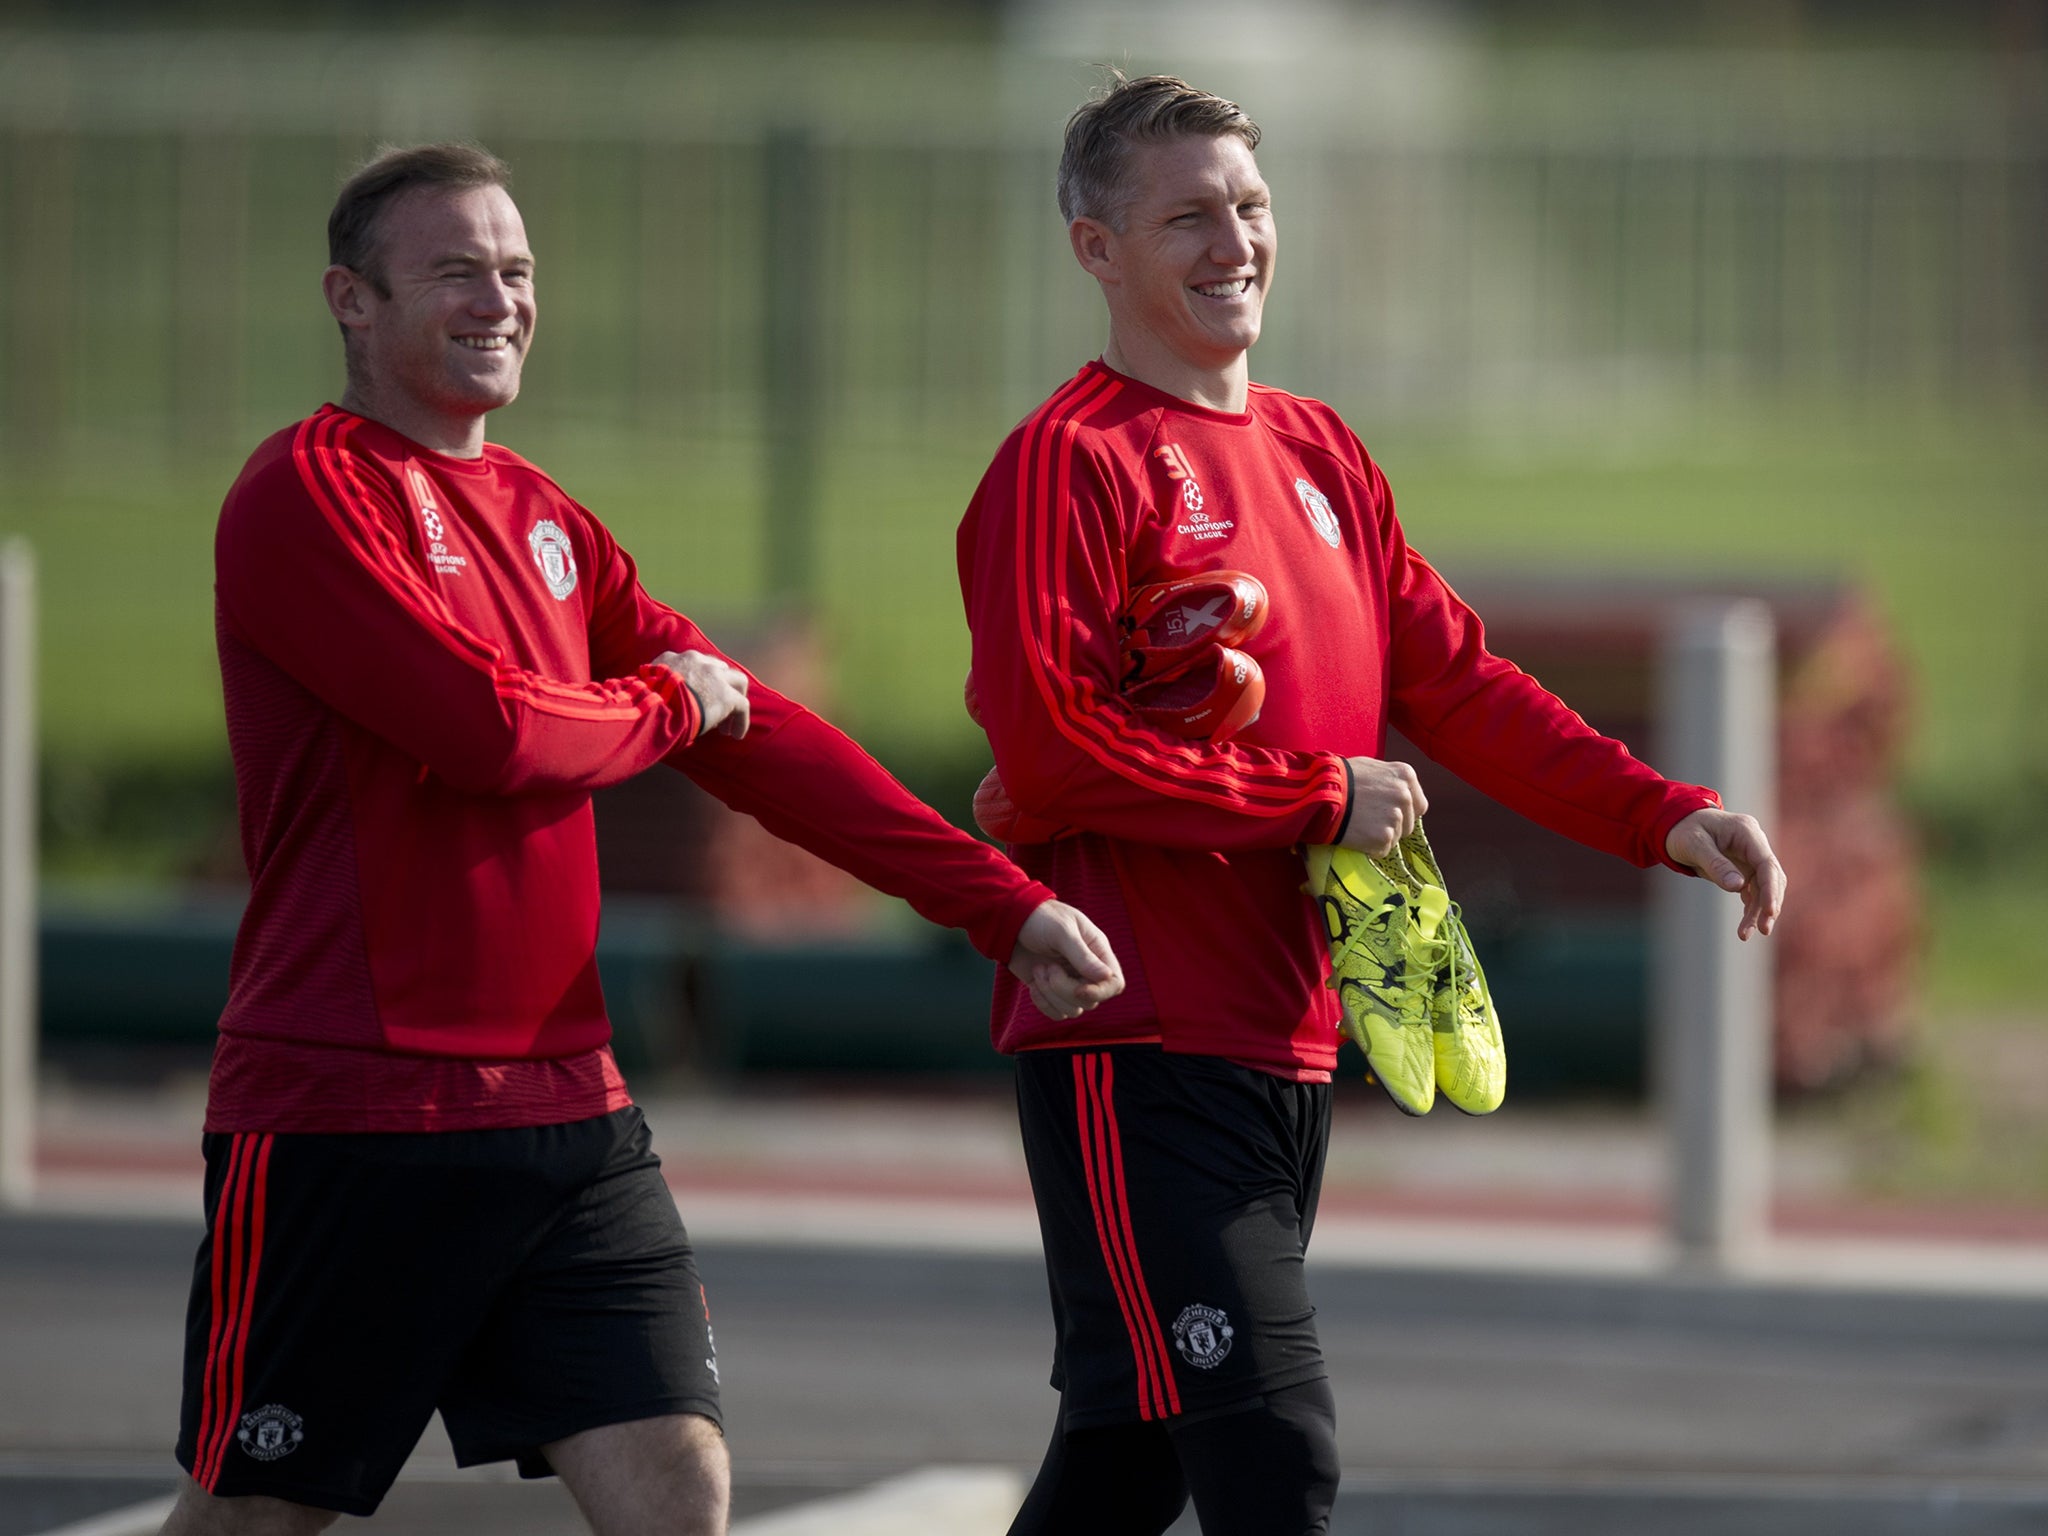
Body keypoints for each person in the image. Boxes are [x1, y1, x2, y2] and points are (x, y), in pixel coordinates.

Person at [160, 142, 1125, 1536]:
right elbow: (493, 734)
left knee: (678, 1483)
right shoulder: (305, 494)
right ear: (349, 302)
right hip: (351, 1115)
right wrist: (667, 699)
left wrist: (997, 903)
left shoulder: (547, 521)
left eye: (516, 270)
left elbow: (765, 738)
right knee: (258, 1516)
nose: (498, 299)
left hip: (567, 1113)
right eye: (453, 271)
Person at [956, 74, 1787, 1535]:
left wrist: (1662, 813)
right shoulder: (1064, 466)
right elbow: (1055, 757)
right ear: (1097, 251)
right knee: (1274, 1454)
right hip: (1135, 1038)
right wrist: (1316, 794)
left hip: (1289, 1034)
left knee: (1133, 1461)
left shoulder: (1319, 451)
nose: (1236, 243)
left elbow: (1457, 682)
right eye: (1188, 217)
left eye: (1253, 207)